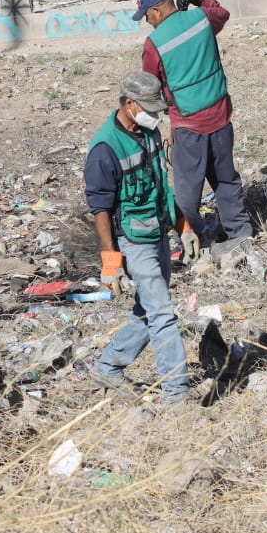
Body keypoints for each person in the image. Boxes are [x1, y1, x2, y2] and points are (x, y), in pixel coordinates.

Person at [84, 70, 190, 404]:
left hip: (158, 232)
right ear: (129, 103)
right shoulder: (104, 149)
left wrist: (183, 227)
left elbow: (161, 185)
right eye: (149, 108)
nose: (156, 116)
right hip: (132, 242)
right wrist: (111, 262)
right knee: (162, 313)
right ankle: (177, 396)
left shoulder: (149, 134)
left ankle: (108, 365)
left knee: (148, 308)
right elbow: (100, 210)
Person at [136, 0, 252, 256]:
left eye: (146, 16)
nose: (146, 22)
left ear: (157, 11)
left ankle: (198, 238)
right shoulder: (200, 19)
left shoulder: (154, 44)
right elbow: (220, 13)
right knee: (225, 179)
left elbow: (150, 86)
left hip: (189, 126)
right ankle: (241, 233)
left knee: (187, 194)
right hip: (221, 114)